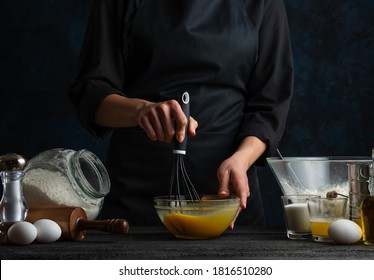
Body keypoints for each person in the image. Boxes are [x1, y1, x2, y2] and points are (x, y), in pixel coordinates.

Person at [67, 0, 294, 227]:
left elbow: (269, 104)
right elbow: (91, 92)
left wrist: (242, 159)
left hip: (227, 196)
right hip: (136, 197)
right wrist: (141, 111)